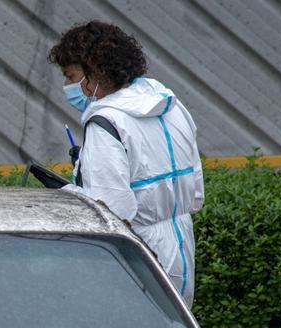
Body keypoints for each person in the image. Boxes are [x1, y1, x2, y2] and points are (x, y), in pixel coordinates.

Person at [49, 21, 203, 307]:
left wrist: (73, 194)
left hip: (135, 259)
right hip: (181, 248)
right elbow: (195, 193)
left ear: (94, 73)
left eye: (71, 77)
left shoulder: (106, 124)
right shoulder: (172, 107)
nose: (67, 87)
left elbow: (110, 213)